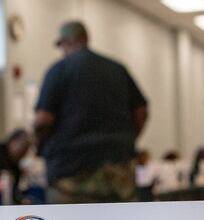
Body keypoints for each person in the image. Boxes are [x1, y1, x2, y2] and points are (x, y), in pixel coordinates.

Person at [34, 20, 149, 204]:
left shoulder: (59, 70)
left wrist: (40, 147)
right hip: (118, 170)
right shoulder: (117, 69)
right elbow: (141, 110)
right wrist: (128, 139)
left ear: (69, 41)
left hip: (71, 171)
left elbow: (43, 120)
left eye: (62, 45)